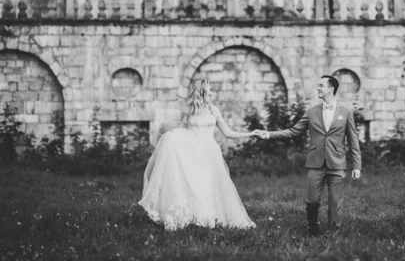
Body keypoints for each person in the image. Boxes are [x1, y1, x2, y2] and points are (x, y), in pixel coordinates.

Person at [138, 78, 262, 231]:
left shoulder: (214, 110)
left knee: (207, 185)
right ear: (202, 89)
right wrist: (171, 137)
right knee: (192, 184)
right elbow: (183, 132)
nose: (212, 90)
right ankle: (188, 216)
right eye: (209, 87)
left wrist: (250, 134)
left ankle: (206, 216)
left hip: (208, 153)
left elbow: (228, 133)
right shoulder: (189, 110)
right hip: (191, 152)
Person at [257, 75, 362, 236]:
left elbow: (353, 140)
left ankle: (331, 235)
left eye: (321, 85)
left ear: (331, 89)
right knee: (312, 201)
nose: (318, 88)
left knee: (335, 203)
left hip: (337, 164)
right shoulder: (312, 112)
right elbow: (293, 131)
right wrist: (269, 134)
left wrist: (356, 166)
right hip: (315, 163)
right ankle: (313, 227)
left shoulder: (346, 112)